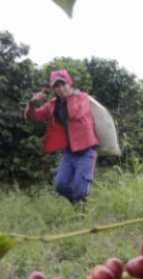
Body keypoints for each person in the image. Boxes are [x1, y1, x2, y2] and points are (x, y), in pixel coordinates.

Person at [25, 69, 99, 204]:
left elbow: (74, 113)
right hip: (69, 152)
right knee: (60, 186)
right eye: (56, 86)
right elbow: (33, 116)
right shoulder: (53, 104)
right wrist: (32, 103)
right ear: (53, 89)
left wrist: (69, 97)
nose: (61, 88)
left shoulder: (82, 97)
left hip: (86, 151)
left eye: (63, 84)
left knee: (80, 189)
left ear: (69, 83)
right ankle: (79, 205)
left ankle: (82, 206)